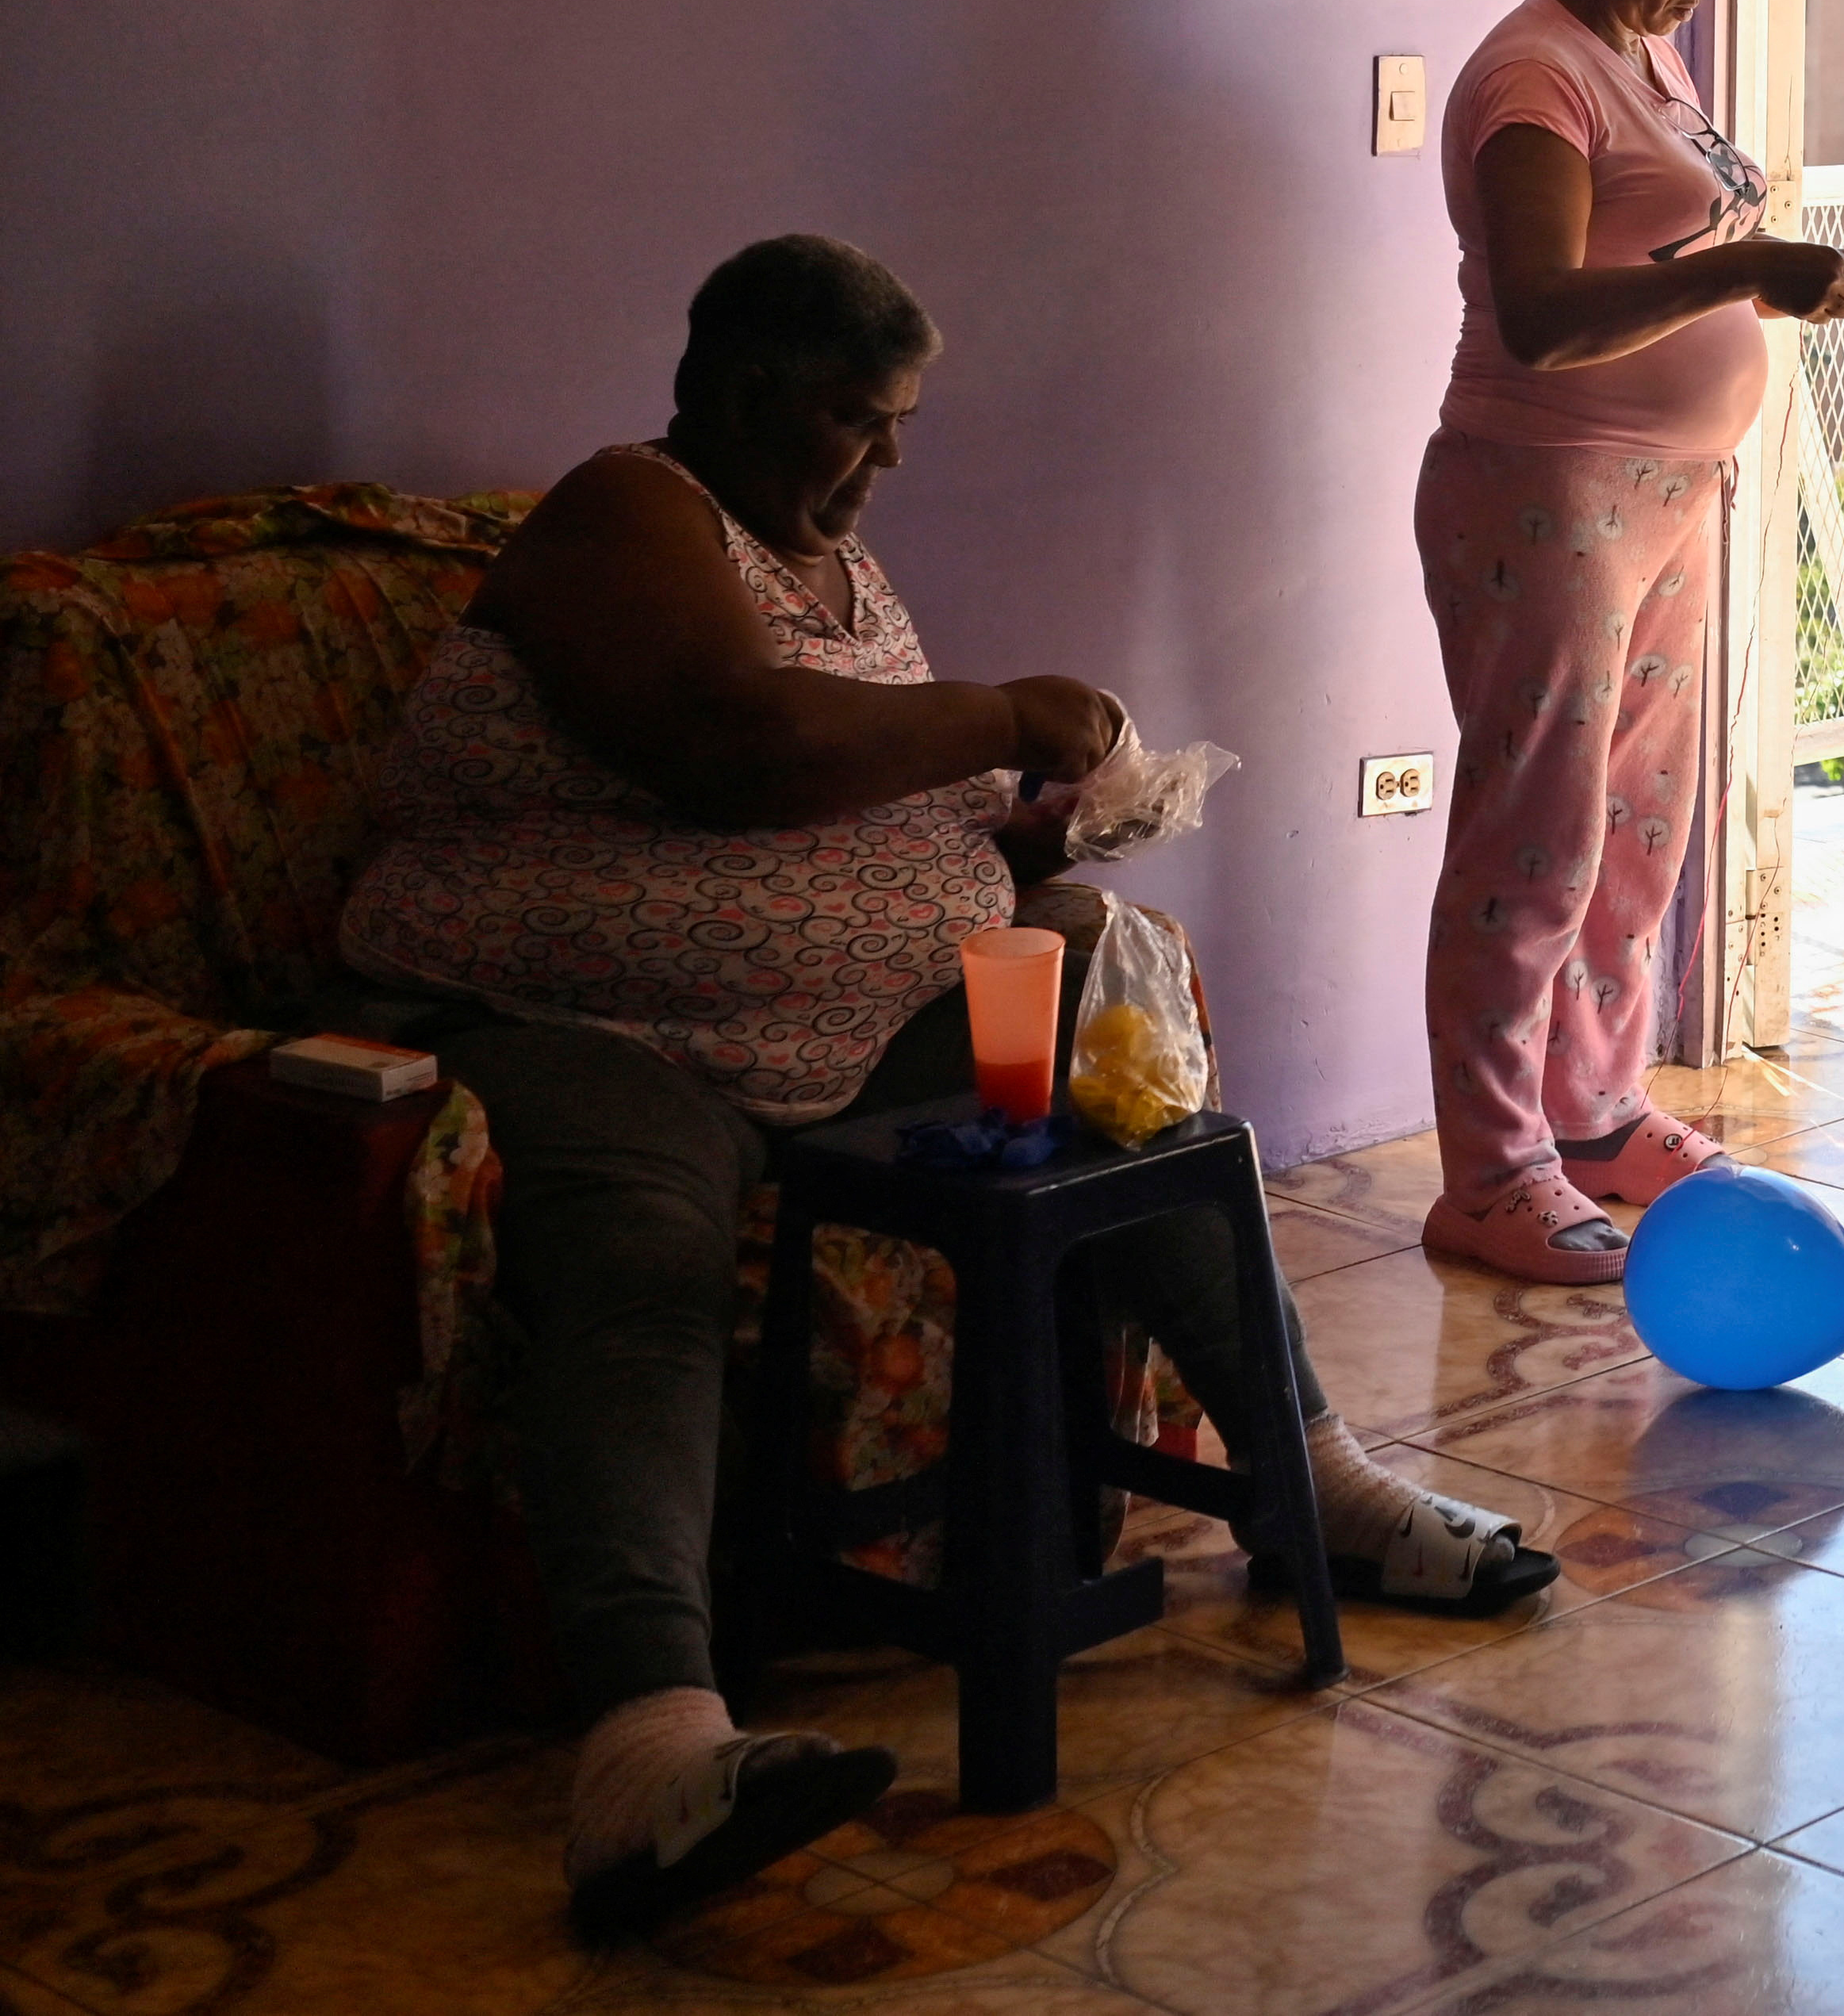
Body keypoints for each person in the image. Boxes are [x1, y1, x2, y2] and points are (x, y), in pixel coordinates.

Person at [334, 236, 1555, 1948]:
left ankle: (1319, 1489)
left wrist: (1022, 826)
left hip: (852, 1014)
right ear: (749, 392)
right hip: (591, 1018)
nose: (887, 455)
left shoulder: (836, 564)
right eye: (858, 416)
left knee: (1132, 1116)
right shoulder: (628, 511)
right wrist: (1001, 709)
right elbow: (734, 748)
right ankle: (652, 1745)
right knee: (638, 1257)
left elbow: (856, 783)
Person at [1417, 0, 1844, 1281]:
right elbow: (1544, 315)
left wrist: (1826, 271)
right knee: (1536, 837)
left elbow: (1686, 243)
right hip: (1545, 489)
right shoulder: (1536, 79)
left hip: (1661, 497)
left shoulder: (1640, 55)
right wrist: (1743, 274)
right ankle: (1492, 1164)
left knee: (1638, 834)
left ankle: (1592, 1109)